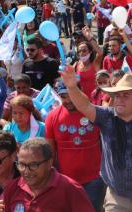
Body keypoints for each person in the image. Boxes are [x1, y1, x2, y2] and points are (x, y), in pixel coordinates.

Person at [58, 69, 132, 212]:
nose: (119, 99)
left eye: (126, 95)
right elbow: (84, 106)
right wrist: (71, 87)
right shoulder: (106, 117)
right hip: (116, 197)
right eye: (117, 95)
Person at [46, 80, 104, 211]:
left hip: (94, 180)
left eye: (71, 95)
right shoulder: (52, 117)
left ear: (80, 92)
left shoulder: (95, 113)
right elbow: (50, 152)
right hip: (65, 181)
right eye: (63, 96)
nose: (67, 100)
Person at [3, 137, 95, 212]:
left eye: (33, 165)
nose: (26, 171)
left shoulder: (71, 189)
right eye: (22, 165)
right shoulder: (12, 188)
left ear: (49, 163)